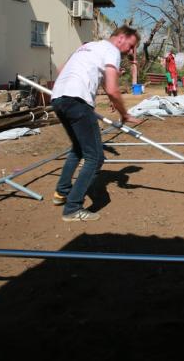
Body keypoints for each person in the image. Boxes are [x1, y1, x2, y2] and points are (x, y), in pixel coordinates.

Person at [50, 26, 142, 222]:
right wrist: (124, 114)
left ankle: (62, 192)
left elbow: (62, 70)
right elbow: (112, 88)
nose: (129, 51)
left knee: (78, 148)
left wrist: (101, 90)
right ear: (121, 38)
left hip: (59, 98)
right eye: (131, 46)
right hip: (77, 101)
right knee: (95, 158)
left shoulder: (86, 47)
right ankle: (72, 208)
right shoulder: (112, 51)